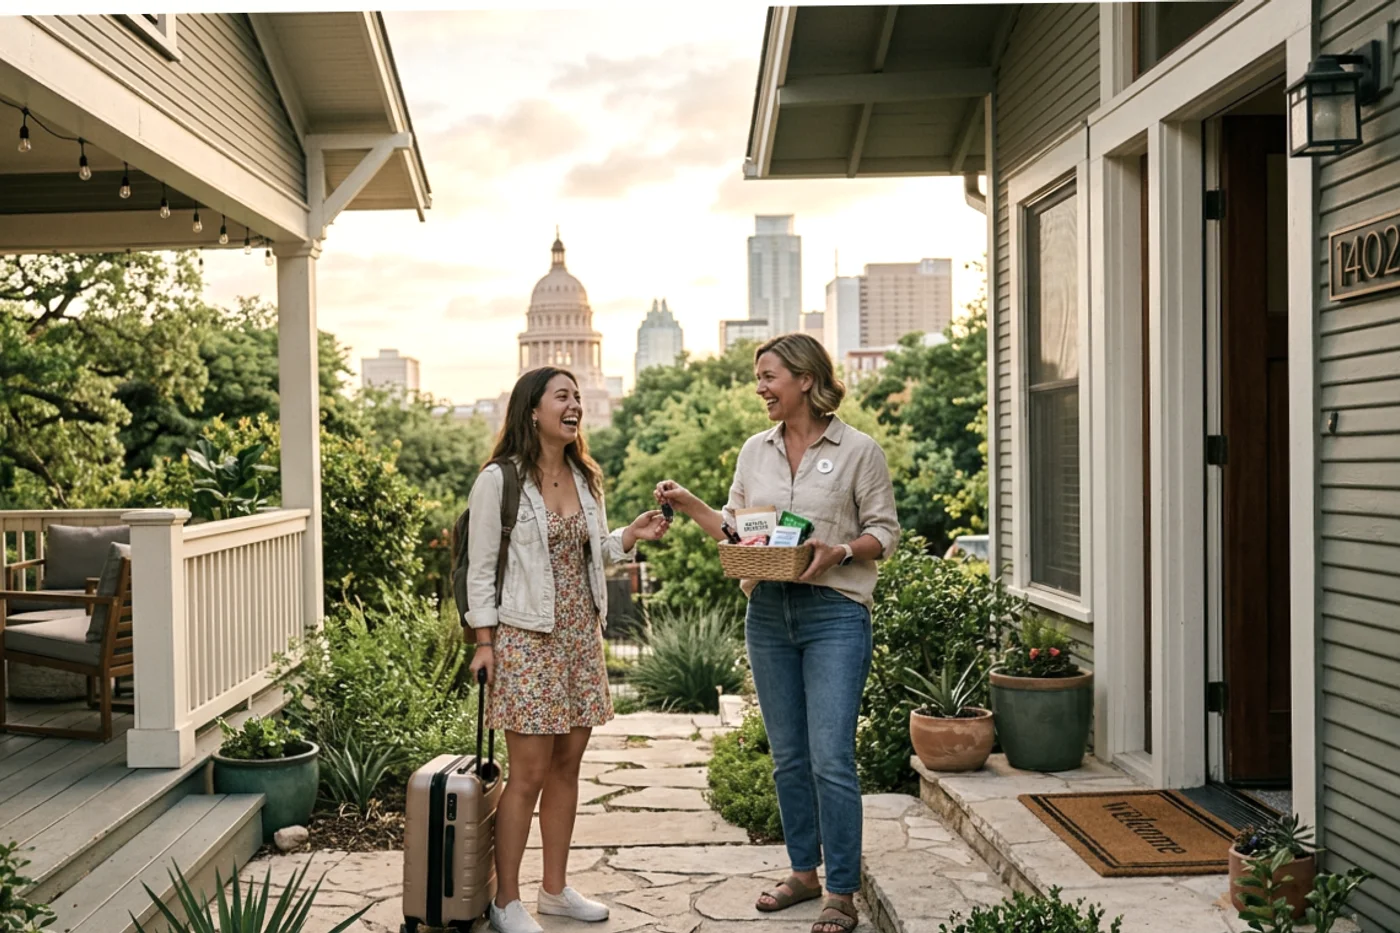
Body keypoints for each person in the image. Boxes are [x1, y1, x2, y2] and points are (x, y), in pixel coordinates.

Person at [654, 333, 899, 933]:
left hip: (835, 613)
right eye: (758, 378)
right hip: (767, 611)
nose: (760, 388)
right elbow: (738, 532)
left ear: (805, 380)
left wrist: (840, 550)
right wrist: (689, 504)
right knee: (788, 758)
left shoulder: (859, 451)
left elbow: (884, 533)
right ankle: (803, 873)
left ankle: (841, 890)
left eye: (769, 377)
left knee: (831, 758)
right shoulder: (753, 451)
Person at [466, 366, 669, 933]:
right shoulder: (499, 481)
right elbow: (481, 569)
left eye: (577, 396)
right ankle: (506, 901)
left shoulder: (585, 476)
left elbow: (592, 550)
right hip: (526, 638)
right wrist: (483, 642)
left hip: (580, 635)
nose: (574, 404)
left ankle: (554, 891)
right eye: (563, 396)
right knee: (527, 773)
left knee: (566, 767)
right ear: (533, 410)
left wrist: (628, 536)